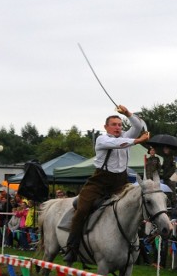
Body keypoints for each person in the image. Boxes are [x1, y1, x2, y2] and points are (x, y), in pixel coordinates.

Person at [63, 105, 149, 262]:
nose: (117, 127)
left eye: (119, 124)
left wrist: (128, 113)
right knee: (82, 209)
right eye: (114, 125)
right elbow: (121, 144)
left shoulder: (125, 136)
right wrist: (138, 140)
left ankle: (134, 244)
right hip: (99, 182)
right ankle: (72, 247)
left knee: (134, 206)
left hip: (121, 182)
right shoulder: (102, 139)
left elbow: (138, 125)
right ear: (106, 127)